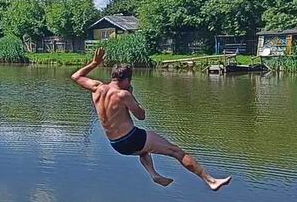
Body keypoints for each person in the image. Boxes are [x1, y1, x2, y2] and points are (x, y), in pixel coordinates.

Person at [71, 47, 231, 191]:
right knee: (176, 151)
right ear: (127, 80)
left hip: (116, 144)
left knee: (145, 148)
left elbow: (76, 76)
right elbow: (141, 116)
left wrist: (94, 63)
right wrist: (131, 95)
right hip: (132, 139)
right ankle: (211, 181)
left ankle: (153, 174)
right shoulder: (123, 94)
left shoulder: (96, 88)